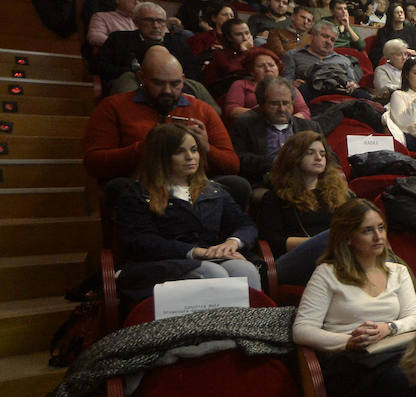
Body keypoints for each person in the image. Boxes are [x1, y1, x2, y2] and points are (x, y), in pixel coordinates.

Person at [292, 198, 416, 397]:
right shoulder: (327, 273)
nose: (378, 236)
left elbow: (414, 319)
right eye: (367, 231)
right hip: (349, 361)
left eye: (381, 228)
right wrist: (349, 341)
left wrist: (388, 328)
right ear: (348, 237)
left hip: (394, 349)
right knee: (407, 377)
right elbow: (302, 330)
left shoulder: (398, 271)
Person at [113, 123, 261, 296]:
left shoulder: (212, 190)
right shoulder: (137, 194)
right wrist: (195, 252)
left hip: (210, 257)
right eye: (179, 152)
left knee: (244, 269)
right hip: (158, 264)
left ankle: (252, 323)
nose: (190, 157)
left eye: (194, 149)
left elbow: (245, 224)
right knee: (212, 272)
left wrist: (232, 243)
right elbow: (142, 242)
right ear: (160, 157)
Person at [258, 131, 349, 287]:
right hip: (291, 261)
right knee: (331, 238)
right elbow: (274, 241)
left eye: (322, 154)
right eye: (310, 153)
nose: (319, 158)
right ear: (294, 156)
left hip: (334, 257)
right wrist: (318, 244)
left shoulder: (339, 193)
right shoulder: (275, 198)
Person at [228, 75, 322, 185]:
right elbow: (239, 159)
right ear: (262, 104)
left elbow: (330, 158)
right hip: (265, 181)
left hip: (305, 180)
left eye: (286, 103)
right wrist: (276, 161)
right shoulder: (244, 125)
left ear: (292, 103)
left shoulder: (310, 127)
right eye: (274, 104)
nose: (282, 109)